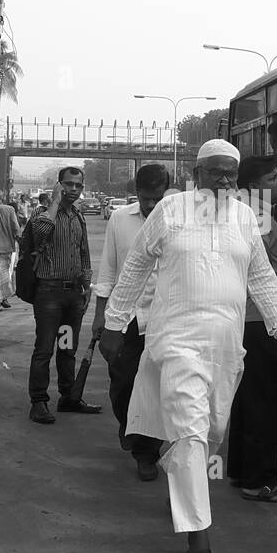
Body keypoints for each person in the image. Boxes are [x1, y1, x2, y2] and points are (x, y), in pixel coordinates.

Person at [99, 140, 277, 553]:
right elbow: (134, 266)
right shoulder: (170, 213)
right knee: (191, 431)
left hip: (227, 346)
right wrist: (114, 323)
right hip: (177, 340)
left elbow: (262, 277)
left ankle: (183, 486)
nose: (225, 181)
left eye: (231, 173)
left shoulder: (247, 217)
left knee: (210, 430)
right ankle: (198, 536)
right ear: (196, 174)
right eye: (216, 172)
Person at [228, 156, 277, 503]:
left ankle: (242, 471)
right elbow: (257, 270)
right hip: (266, 321)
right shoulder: (255, 217)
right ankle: (260, 480)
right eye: (272, 176)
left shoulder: (251, 214)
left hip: (255, 320)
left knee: (249, 399)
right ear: (252, 184)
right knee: (269, 400)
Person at [91, 164, 169, 481]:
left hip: (165, 321)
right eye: (145, 197)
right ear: (135, 193)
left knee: (158, 390)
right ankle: (128, 424)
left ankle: (146, 452)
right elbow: (109, 269)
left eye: (157, 198)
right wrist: (100, 315)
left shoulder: (182, 220)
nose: (151, 205)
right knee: (122, 386)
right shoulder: (120, 219)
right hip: (127, 319)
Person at [25, 167, 98, 424]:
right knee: (44, 349)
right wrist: (55, 202)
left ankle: (68, 397)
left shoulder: (79, 216)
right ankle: (39, 401)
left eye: (78, 185)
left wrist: (87, 284)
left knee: (67, 348)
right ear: (59, 186)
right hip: (49, 295)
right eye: (68, 185)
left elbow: (84, 252)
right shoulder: (43, 214)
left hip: (72, 297)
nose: (74, 190)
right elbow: (41, 234)